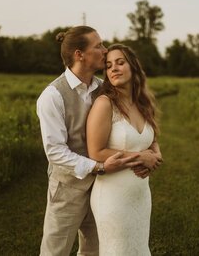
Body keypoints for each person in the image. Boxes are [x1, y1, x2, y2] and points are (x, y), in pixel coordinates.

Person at [36, 27, 143, 256]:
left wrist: (151, 147)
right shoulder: (52, 96)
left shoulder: (104, 89)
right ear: (79, 54)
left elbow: (132, 117)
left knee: (94, 250)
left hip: (103, 188)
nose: (105, 51)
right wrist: (99, 166)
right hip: (68, 189)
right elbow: (54, 151)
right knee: (55, 251)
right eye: (98, 46)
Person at [87, 44, 163, 255]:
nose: (114, 69)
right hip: (113, 196)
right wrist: (141, 158)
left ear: (133, 67)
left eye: (120, 62)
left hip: (140, 195)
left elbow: (151, 138)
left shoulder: (142, 103)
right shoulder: (105, 104)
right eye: (109, 65)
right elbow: (96, 152)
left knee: (139, 249)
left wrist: (156, 153)